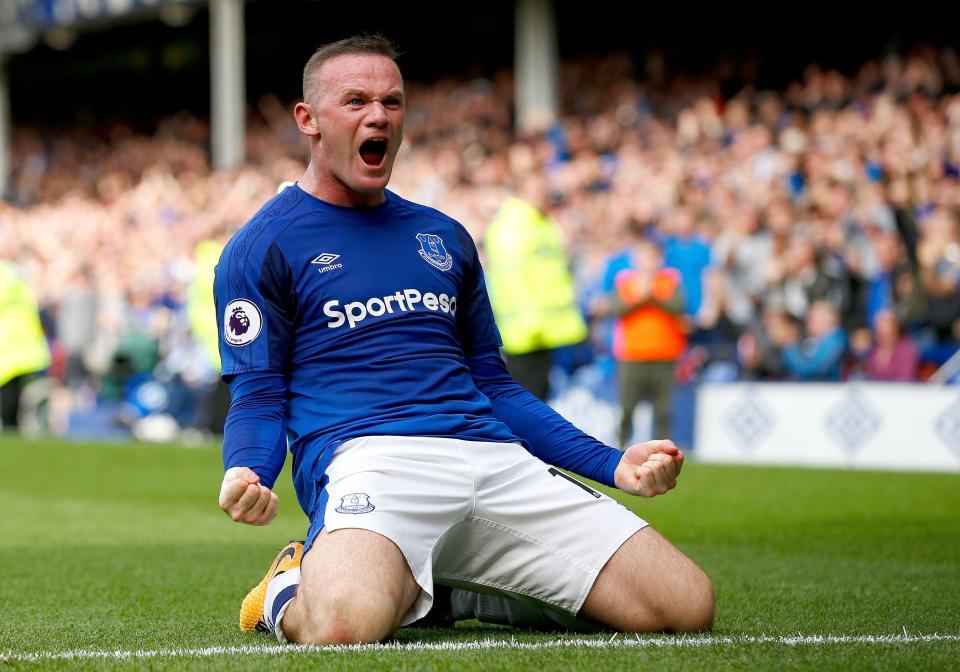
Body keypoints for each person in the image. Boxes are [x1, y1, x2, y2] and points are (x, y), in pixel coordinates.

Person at [214, 35, 713, 646]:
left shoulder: (443, 235)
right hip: (371, 460)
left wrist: (612, 464)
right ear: (308, 120)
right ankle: (286, 588)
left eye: (392, 102)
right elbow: (259, 393)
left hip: (492, 456)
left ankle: (452, 589)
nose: (378, 116)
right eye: (356, 101)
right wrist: (249, 468)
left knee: (685, 607)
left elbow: (494, 387)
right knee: (343, 627)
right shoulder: (260, 246)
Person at [483, 174, 588, 400]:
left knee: (539, 398)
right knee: (528, 401)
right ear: (524, 192)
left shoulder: (537, 223)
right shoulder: (512, 227)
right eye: (540, 190)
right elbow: (512, 280)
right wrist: (531, 322)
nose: (546, 196)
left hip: (542, 330)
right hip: (526, 331)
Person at [594, 236, 687, 448]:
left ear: (659, 259)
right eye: (642, 258)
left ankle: (664, 451)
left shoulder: (669, 280)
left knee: (663, 409)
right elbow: (615, 308)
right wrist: (639, 297)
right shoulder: (625, 282)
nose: (647, 263)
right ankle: (621, 447)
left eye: (650, 258)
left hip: (665, 355)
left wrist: (651, 295)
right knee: (627, 408)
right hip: (632, 356)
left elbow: (678, 305)